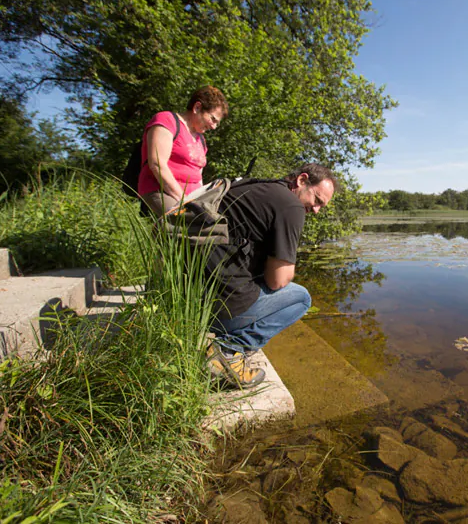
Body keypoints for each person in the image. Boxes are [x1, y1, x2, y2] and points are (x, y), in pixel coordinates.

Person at [205, 163, 337, 388]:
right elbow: (278, 280)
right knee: (300, 298)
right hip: (215, 310)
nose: (316, 210)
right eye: (316, 200)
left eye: (321, 206)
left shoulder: (257, 188)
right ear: (301, 181)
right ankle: (228, 351)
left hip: (189, 295)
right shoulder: (290, 205)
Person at [138, 86, 228, 216]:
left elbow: (198, 176)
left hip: (191, 197)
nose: (214, 127)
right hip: (160, 190)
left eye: (217, 123)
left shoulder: (201, 140)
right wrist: (185, 201)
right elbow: (157, 164)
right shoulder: (166, 121)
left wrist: (200, 201)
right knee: (189, 224)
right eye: (213, 119)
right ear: (197, 107)